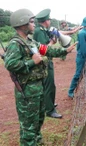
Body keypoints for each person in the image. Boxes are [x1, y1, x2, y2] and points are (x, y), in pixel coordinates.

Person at [4, 9, 76, 145]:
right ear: (22, 24)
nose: (34, 24)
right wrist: (33, 62)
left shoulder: (30, 42)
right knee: (28, 126)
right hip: (26, 91)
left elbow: (45, 49)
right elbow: (10, 64)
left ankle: (37, 141)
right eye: (31, 22)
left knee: (38, 120)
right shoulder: (16, 44)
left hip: (37, 88)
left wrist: (64, 51)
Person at [33, 8, 63, 118]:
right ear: (46, 21)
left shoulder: (42, 30)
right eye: (49, 20)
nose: (49, 22)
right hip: (45, 63)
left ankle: (49, 103)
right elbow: (43, 50)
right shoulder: (39, 32)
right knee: (49, 85)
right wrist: (52, 42)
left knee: (48, 85)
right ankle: (50, 110)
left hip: (46, 62)